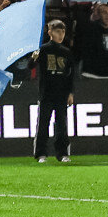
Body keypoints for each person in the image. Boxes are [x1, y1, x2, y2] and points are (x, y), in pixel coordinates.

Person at [33, 16, 77, 163]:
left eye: (63, 32)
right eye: (58, 31)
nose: (61, 35)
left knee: (62, 125)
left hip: (61, 93)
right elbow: (30, 66)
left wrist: (71, 93)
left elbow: (71, 75)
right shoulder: (43, 49)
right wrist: (33, 57)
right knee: (43, 124)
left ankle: (63, 153)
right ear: (50, 32)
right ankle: (41, 153)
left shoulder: (66, 52)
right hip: (46, 93)